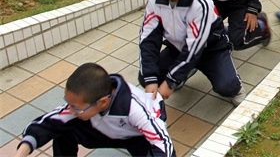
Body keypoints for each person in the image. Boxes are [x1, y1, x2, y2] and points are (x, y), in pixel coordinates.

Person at [139, 0, 245, 104]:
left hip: (210, 50)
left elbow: (194, 48)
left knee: (228, 87)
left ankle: (234, 83)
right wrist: (150, 81)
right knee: (147, 76)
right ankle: (185, 69)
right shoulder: (154, 1)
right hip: (179, 49)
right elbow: (148, 40)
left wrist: (170, 82)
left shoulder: (200, 3)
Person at [14, 63, 173, 157]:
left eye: (76, 108)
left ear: (103, 102)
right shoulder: (85, 102)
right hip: (104, 130)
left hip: (137, 136)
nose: (71, 110)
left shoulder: (135, 108)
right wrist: (23, 150)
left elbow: (163, 144)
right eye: (68, 104)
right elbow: (49, 122)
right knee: (63, 129)